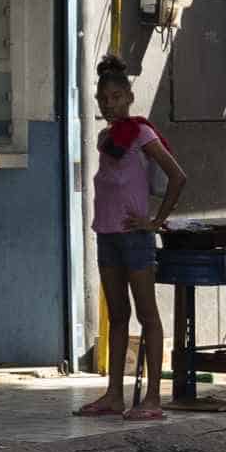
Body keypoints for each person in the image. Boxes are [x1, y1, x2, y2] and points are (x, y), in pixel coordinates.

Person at [82, 59, 186, 423]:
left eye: (115, 96)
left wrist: (155, 222)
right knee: (118, 315)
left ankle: (154, 397)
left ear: (128, 97)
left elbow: (177, 176)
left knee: (148, 316)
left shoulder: (140, 133)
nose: (108, 103)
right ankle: (114, 394)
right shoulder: (105, 138)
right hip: (106, 236)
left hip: (136, 238)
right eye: (102, 97)